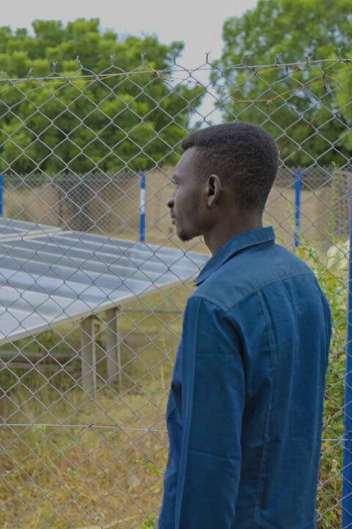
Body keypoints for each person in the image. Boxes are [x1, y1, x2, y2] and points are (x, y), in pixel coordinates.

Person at [159, 123, 331, 528]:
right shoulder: (302, 279)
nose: (170, 199)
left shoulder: (214, 304)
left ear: (211, 190)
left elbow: (207, 465)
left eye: (178, 183)